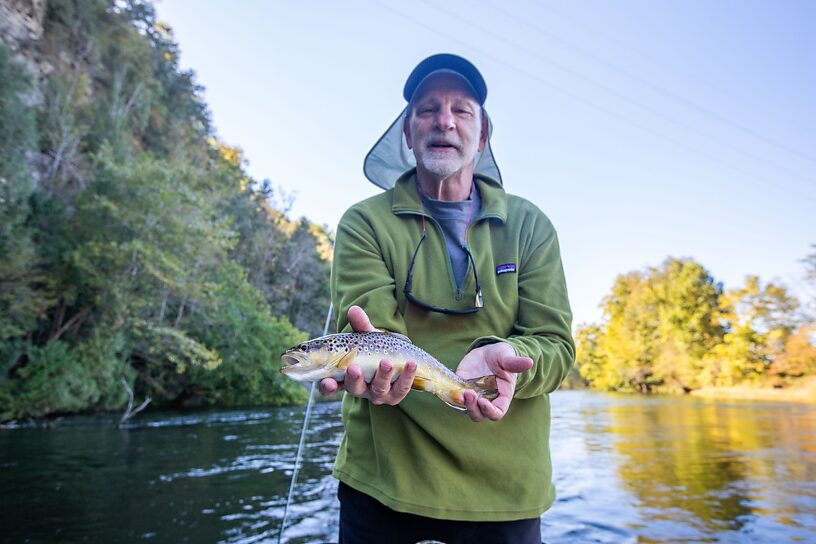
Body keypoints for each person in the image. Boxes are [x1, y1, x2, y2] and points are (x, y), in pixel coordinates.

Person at [319, 53, 575, 544]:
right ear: (408, 134)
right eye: (427, 109)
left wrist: (513, 357)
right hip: (383, 485)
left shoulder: (531, 226)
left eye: (462, 110)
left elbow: (558, 350)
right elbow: (373, 338)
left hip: (505, 492)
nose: (443, 120)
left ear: (481, 138)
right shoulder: (363, 222)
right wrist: (376, 373)